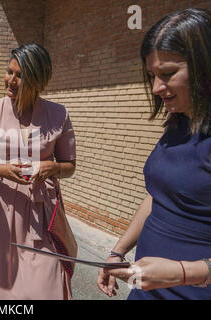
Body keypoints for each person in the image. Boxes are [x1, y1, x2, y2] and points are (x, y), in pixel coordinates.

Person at [97, 8, 211, 300]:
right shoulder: (179, 124)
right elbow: (158, 194)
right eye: (152, 75)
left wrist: (184, 272)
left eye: (169, 74)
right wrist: (117, 251)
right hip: (146, 292)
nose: (157, 87)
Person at [0, 43, 78, 300]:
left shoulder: (59, 114)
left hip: (41, 212)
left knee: (47, 283)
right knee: (4, 287)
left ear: (38, 80)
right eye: (9, 72)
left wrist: (53, 167)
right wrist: (0, 169)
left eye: (19, 75)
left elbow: (70, 167)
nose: (10, 80)